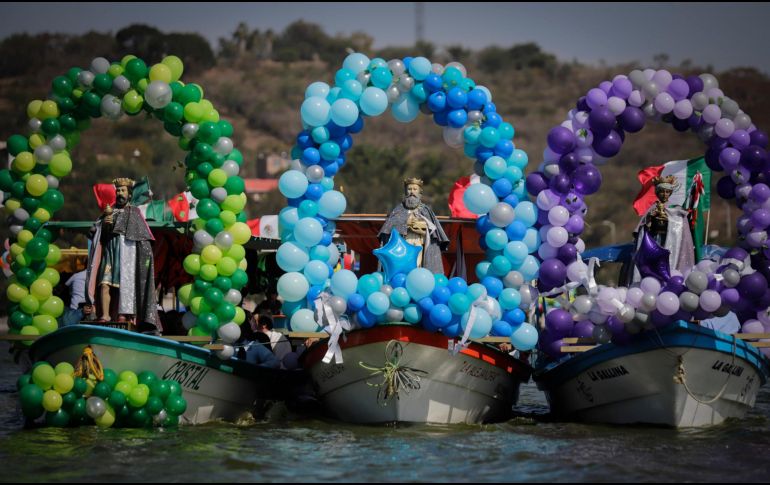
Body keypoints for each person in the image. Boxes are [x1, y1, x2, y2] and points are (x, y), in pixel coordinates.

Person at [84, 177, 160, 333]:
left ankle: (123, 315)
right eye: (118, 190)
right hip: (110, 251)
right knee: (104, 284)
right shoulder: (107, 212)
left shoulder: (135, 213)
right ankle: (104, 315)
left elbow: (143, 239)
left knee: (123, 286)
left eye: (123, 190)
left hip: (127, 254)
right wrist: (104, 224)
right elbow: (97, 236)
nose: (119, 193)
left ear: (129, 194)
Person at [625, 175, 695, 284]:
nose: (665, 194)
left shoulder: (675, 210)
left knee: (666, 265)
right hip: (654, 243)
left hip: (670, 243)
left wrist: (669, 219)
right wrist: (650, 220)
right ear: (657, 193)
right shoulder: (652, 209)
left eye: (667, 192)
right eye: (662, 192)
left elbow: (680, 227)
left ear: (670, 193)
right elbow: (643, 228)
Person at [378, 177, 450, 274]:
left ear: (420, 192)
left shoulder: (426, 210)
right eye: (409, 189)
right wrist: (405, 224)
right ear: (405, 192)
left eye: (415, 189)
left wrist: (421, 228)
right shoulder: (398, 210)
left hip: (419, 242)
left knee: (417, 266)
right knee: (404, 267)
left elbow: (433, 232)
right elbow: (389, 229)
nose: (412, 192)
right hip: (403, 244)